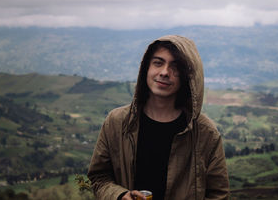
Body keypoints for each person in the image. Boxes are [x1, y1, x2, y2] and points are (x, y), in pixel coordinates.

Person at [88, 35, 229, 200]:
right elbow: (99, 177)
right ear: (146, 68)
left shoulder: (205, 133)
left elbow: (218, 195)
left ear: (187, 77)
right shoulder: (117, 122)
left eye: (175, 67)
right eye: (158, 63)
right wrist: (120, 196)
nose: (164, 72)